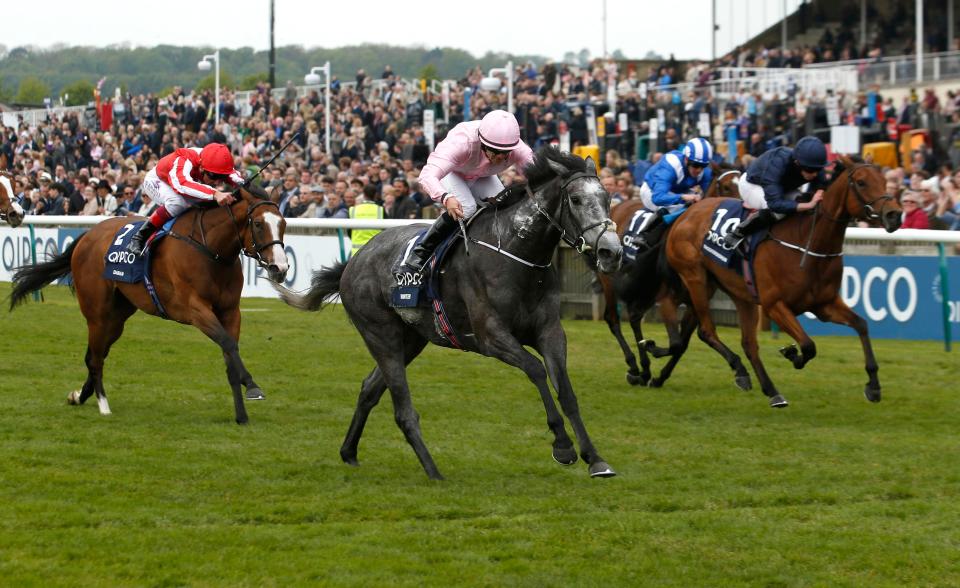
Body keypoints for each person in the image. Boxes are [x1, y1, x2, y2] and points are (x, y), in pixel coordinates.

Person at [404, 110, 534, 271]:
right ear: (483, 143)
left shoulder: (519, 149)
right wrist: (445, 197)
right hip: (453, 173)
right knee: (467, 207)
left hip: (482, 175)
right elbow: (427, 175)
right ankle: (421, 251)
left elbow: (538, 176)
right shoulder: (461, 143)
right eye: (495, 152)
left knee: (503, 207)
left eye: (505, 153)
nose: (500, 158)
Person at [126, 143, 241, 255]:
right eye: (214, 176)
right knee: (178, 203)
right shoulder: (184, 159)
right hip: (158, 181)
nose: (217, 182)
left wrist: (243, 185)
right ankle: (139, 237)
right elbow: (182, 185)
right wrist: (215, 193)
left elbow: (234, 176)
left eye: (221, 177)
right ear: (201, 167)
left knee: (208, 200)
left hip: (182, 182)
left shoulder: (213, 160)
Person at [723, 136, 827, 248]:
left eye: (818, 169)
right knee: (778, 211)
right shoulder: (777, 163)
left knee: (800, 200)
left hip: (782, 187)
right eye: (810, 170)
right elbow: (775, 204)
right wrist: (808, 205)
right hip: (752, 185)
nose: (815, 174)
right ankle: (739, 232)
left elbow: (822, 182)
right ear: (797, 163)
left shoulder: (812, 164)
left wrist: (819, 191)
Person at [636, 138, 715, 246]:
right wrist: (683, 197)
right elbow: (658, 198)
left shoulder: (704, 172)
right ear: (686, 160)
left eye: (703, 166)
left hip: (677, 190)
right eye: (695, 165)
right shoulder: (671, 166)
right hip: (652, 191)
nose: (699, 170)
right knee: (674, 208)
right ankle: (643, 234)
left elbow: (708, 197)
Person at [348, 189, 384, 257]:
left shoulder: (353, 209)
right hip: (376, 251)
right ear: (375, 195)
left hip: (356, 252)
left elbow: (349, 231)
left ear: (364, 195)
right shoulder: (380, 210)